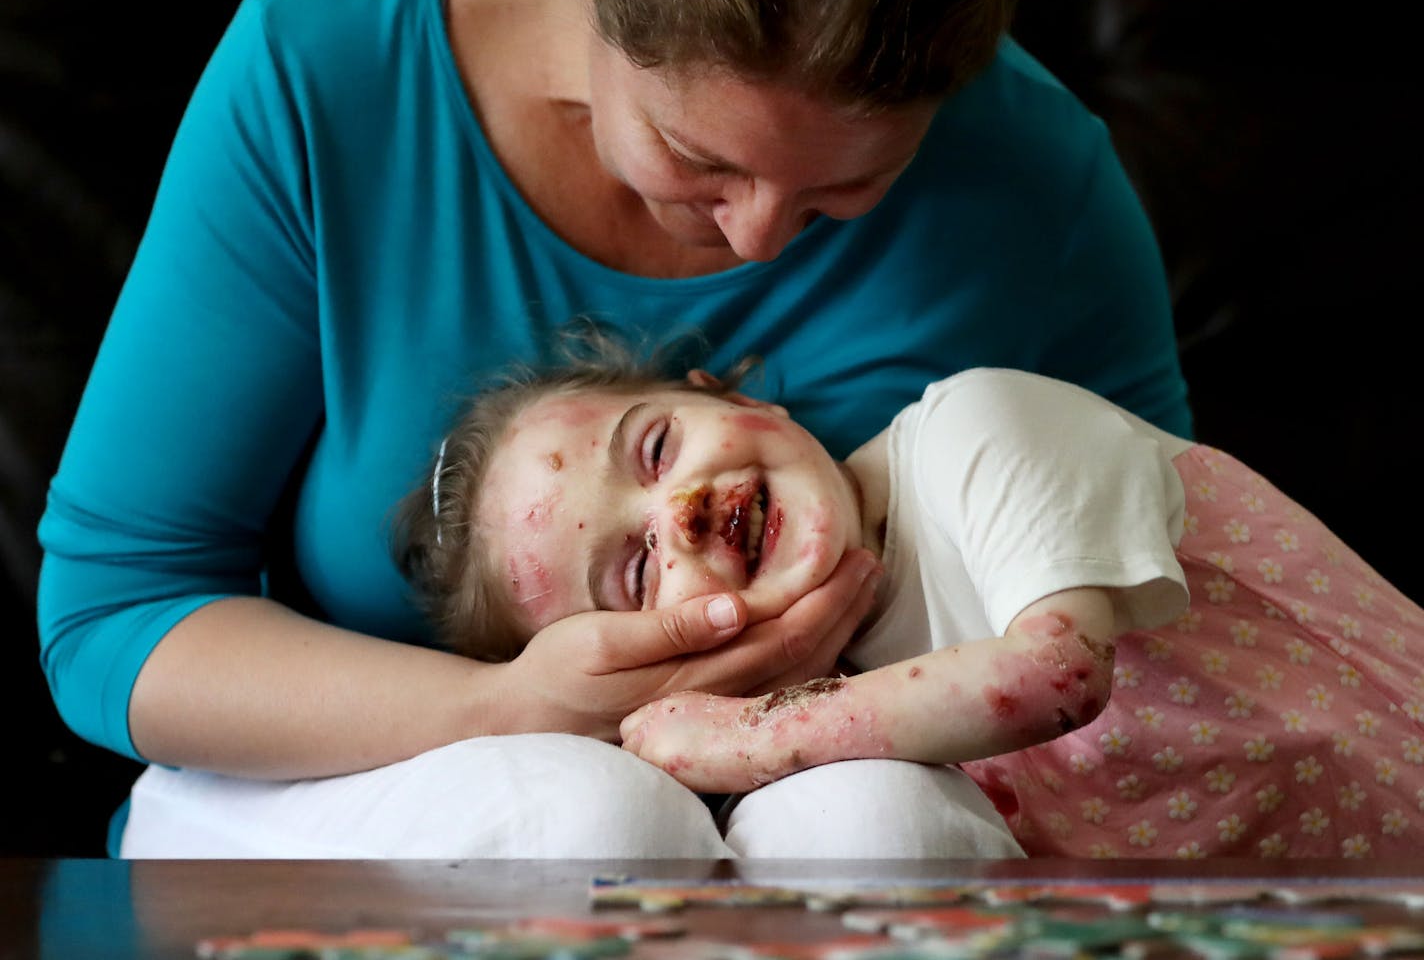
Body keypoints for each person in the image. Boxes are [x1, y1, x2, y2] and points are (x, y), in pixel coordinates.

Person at [38, 0, 1190, 858]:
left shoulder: (1038, 185)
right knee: (588, 819)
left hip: (868, 811)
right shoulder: (323, 78)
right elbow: (113, 615)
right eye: (697, 160)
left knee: (880, 827)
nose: (758, 241)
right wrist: (510, 705)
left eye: (846, 191)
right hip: (408, 802)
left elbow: (1189, 629)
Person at [406, 344, 1424, 859]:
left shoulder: (978, 429)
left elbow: (1055, 674)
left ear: (737, 398)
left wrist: (748, 732)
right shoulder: (845, 720)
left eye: (660, 447)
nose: (682, 515)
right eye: (635, 573)